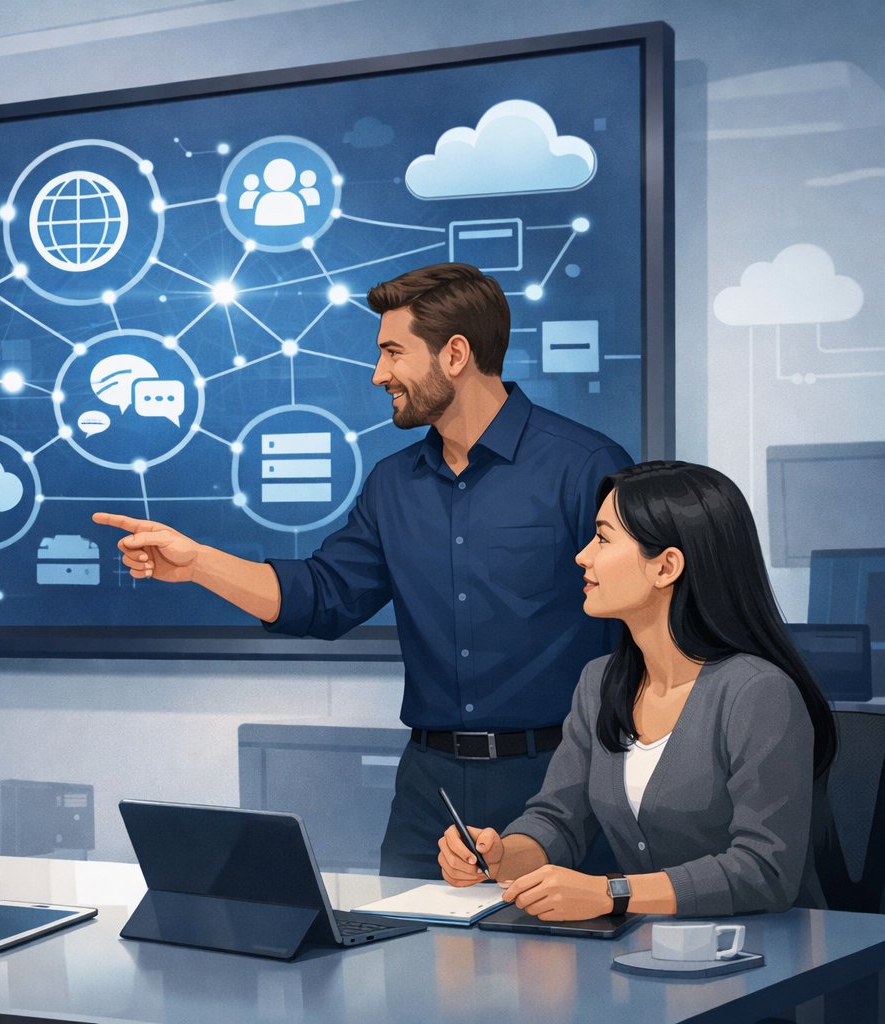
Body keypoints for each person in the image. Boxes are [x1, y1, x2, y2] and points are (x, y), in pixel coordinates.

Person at [93, 263, 632, 878]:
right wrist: (198, 566)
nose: (379, 375)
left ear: (455, 354)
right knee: (407, 967)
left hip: (559, 782)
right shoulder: (392, 484)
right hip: (430, 795)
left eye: (393, 352)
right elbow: (322, 597)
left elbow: (641, 629)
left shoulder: (584, 466)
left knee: (564, 970)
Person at [437, 461, 837, 919]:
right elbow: (557, 821)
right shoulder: (600, 682)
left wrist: (613, 893)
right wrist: (498, 857)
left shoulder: (758, 693)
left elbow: (764, 870)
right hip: (650, 958)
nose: (582, 556)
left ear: (666, 566)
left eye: (603, 538)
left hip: (767, 963)